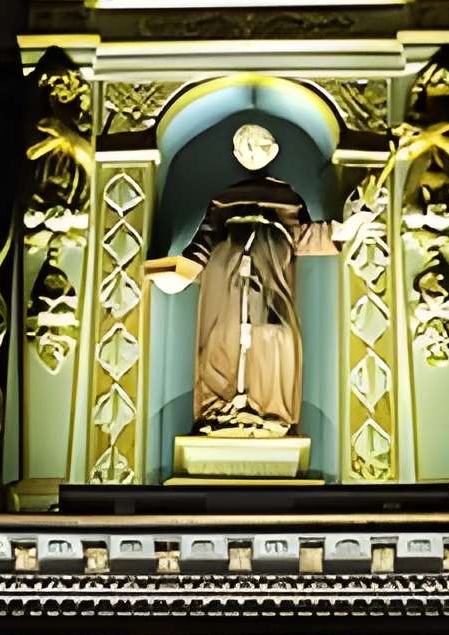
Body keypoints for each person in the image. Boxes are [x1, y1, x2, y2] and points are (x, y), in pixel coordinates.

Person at [147, 121, 357, 437]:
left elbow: (308, 236)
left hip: (271, 284)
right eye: (245, 145)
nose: (250, 151)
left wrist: (348, 227)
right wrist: (175, 275)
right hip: (225, 285)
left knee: (276, 341)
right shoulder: (222, 200)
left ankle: (271, 414)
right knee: (223, 342)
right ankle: (219, 414)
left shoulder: (288, 199)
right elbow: (203, 244)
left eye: (257, 144)